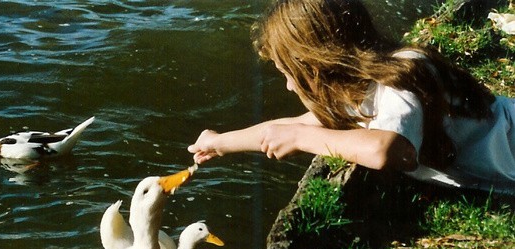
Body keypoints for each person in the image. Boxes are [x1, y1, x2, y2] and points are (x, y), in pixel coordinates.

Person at [188, 0, 515, 194]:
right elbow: (288, 125)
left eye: (287, 73)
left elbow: (388, 151)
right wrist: (219, 142)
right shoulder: (364, 87)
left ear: (315, 63)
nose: (288, 86)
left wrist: (301, 138)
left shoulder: (402, 75)